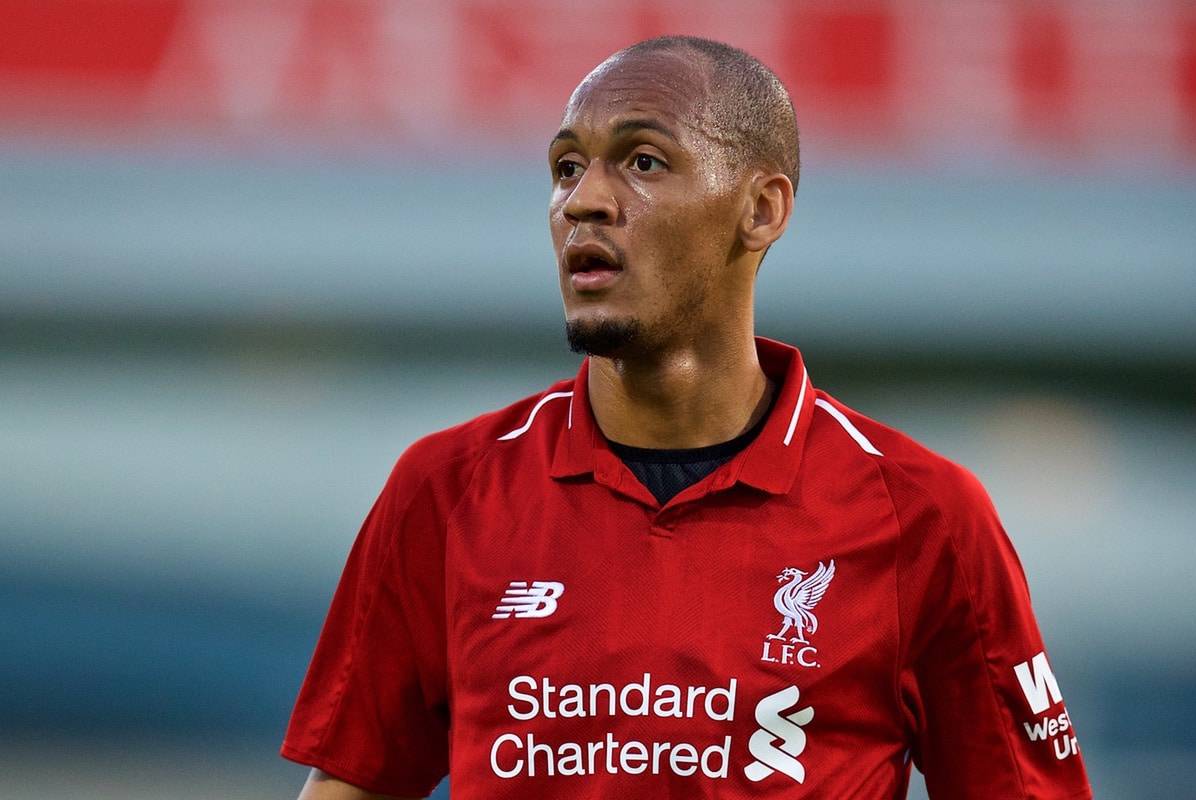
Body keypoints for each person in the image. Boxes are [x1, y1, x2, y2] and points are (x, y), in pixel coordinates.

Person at [281, 36, 1093, 799]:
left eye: (642, 160)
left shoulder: (922, 514)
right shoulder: (448, 490)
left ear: (763, 210)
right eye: (566, 167)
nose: (583, 202)